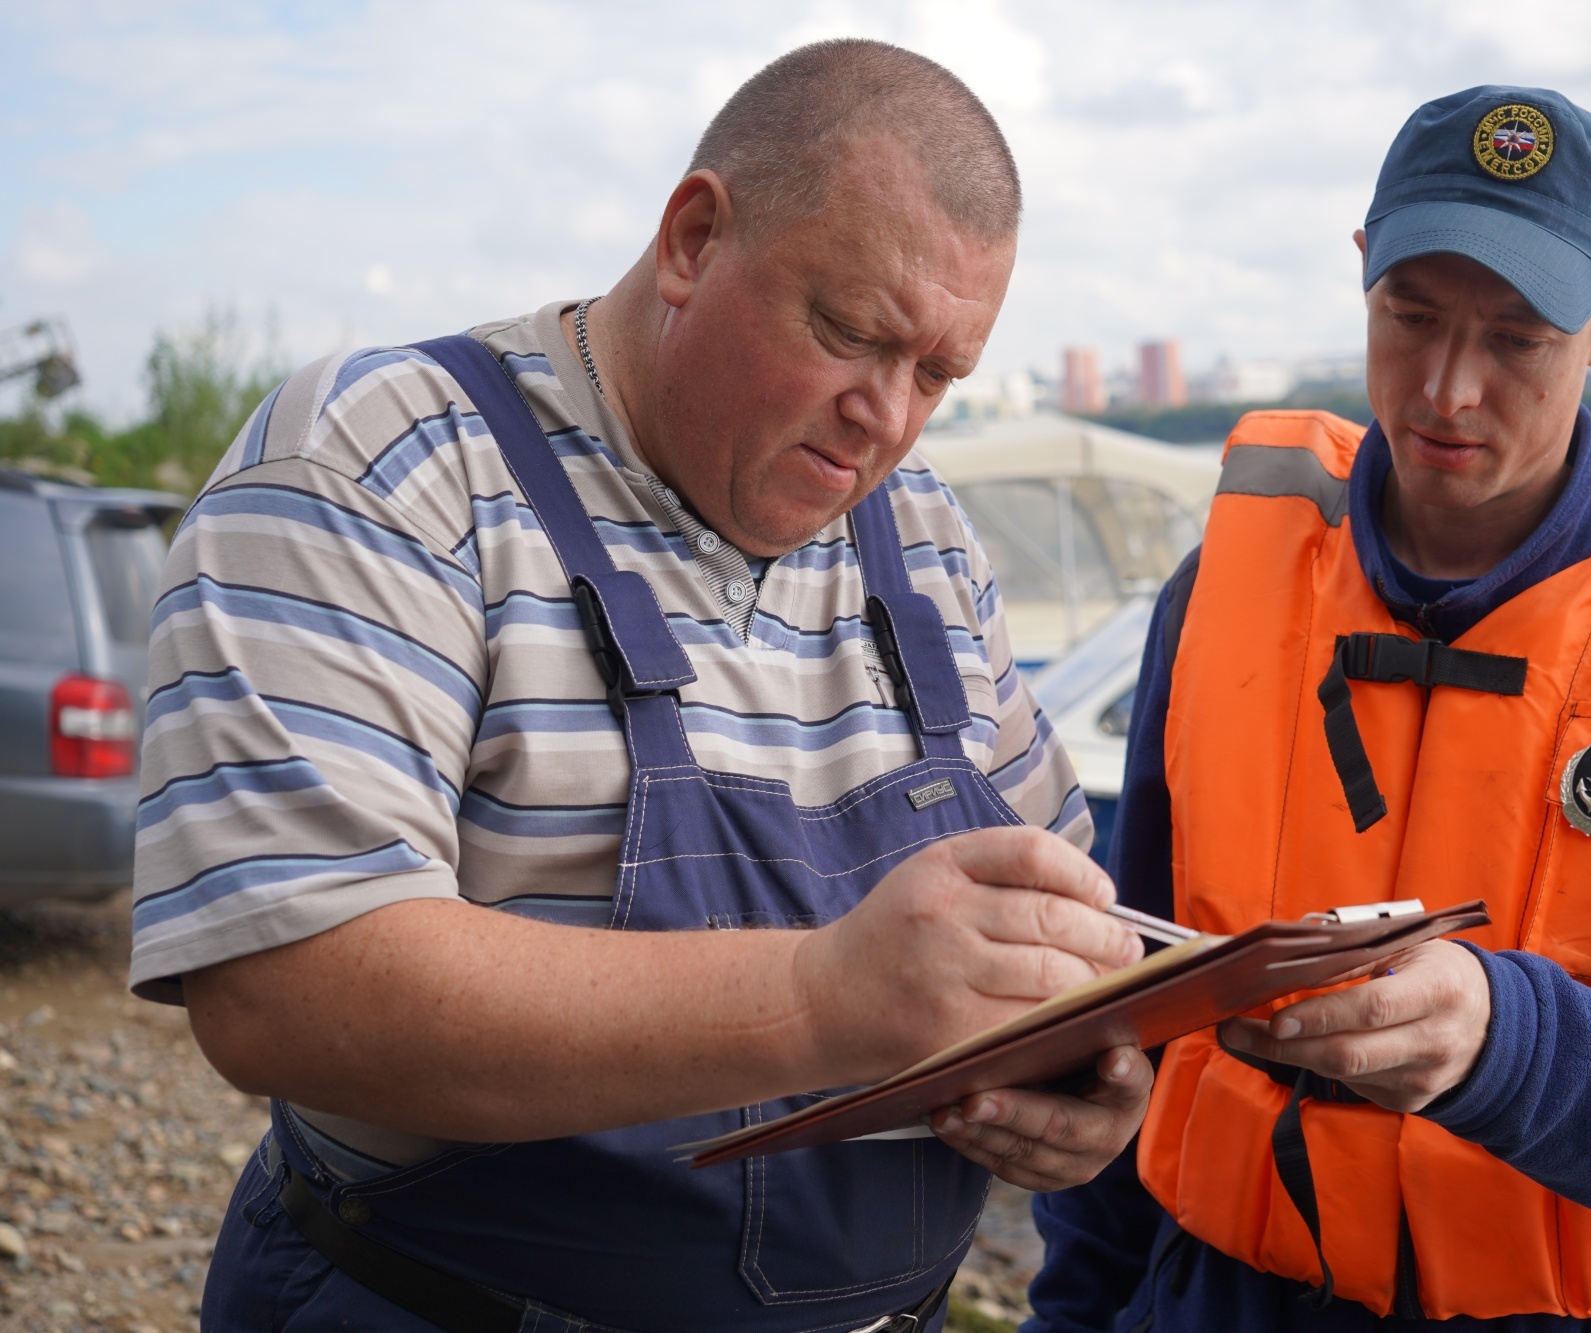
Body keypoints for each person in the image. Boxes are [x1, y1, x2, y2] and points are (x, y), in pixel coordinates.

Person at [133, 40, 1155, 1333]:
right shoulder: (384, 464)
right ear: (691, 238)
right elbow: (288, 987)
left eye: (937, 374)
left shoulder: (931, 540)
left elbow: (1052, 930)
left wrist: (1084, 1071)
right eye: (849, 332)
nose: (885, 418)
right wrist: (821, 997)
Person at [1026, 85, 1591, 1333]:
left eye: (1517, 339)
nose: (1446, 391)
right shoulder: (1218, 593)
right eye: (1408, 318)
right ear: (1360, 271)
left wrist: (1510, 1043)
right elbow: (1129, 1005)